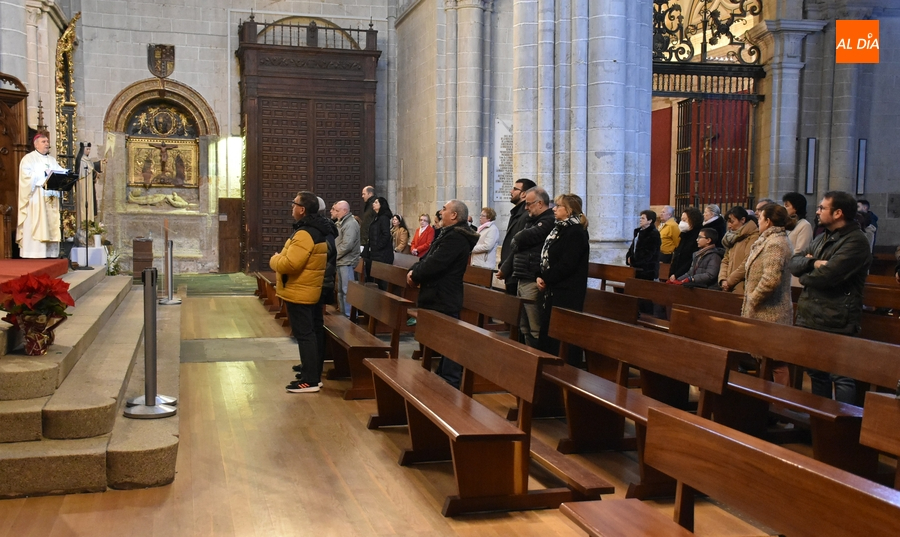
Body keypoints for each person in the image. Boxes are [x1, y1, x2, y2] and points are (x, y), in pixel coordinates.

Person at [789, 191, 872, 404]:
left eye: (822, 208)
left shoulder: (856, 241)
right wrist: (813, 263)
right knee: (816, 372)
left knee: (841, 376)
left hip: (838, 317)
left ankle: (844, 422)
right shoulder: (822, 237)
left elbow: (828, 276)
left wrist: (806, 274)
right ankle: (820, 421)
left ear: (838, 213)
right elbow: (794, 263)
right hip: (812, 315)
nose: (817, 212)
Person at [407, 200, 479, 388]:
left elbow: (435, 264)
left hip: (444, 296)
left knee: (450, 340)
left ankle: (450, 382)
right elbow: (427, 258)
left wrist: (415, 274)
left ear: (454, 215)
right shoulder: (448, 234)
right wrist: (414, 270)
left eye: (445, 209)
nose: (441, 212)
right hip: (437, 295)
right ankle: (443, 376)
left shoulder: (456, 238)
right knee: (442, 340)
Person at [272, 191, 328, 394]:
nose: (292, 206)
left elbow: (291, 264)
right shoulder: (315, 230)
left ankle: (309, 380)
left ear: (302, 209)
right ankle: (312, 375)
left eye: (294, 203)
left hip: (300, 291)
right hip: (307, 289)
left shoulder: (305, 233)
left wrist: (275, 259)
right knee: (310, 333)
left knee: (305, 335)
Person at [742, 203, 793, 386]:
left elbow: (770, 279)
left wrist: (753, 299)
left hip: (771, 311)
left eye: (760, 218)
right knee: (764, 359)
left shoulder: (776, 244)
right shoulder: (768, 240)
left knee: (776, 361)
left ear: (768, 221)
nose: (758, 222)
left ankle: (781, 399)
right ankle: (765, 396)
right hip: (763, 310)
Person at [498, 186, 555, 348]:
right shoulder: (531, 220)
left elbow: (520, 238)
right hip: (522, 276)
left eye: (529, 204)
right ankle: (529, 356)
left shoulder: (548, 220)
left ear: (540, 203)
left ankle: (539, 358)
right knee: (524, 326)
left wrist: (519, 238)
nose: (526, 207)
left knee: (535, 326)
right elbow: (516, 246)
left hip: (532, 277)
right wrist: (506, 268)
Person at [536, 194, 590, 361]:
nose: (554, 208)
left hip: (567, 292)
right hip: (554, 288)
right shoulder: (559, 229)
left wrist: (546, 278)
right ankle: (548, 366)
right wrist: (540, 275)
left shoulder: (576, 232)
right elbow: (547, 256)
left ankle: (566, 368)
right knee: (549, 334)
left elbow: (568, 264)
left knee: (563, 337)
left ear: (569, 210)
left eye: (558, 206)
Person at [295, 197, 338, 386]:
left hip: (319, 282)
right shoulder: (322, 228)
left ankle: (312, 370)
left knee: (312, 328)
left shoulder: (320, 231)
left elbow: (323, 255)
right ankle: (310, 367)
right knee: (313, 327)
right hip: (319, 281)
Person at [18, 132, 67, 258]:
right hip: (37, 198)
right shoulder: (28, 159)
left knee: (51, 223)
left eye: (47, 142)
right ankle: (35, 252)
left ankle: (51, 253)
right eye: (43, 142)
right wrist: (44, 174)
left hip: (51, 197)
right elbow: (26, 177)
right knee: (38, 224)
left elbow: (60, 172)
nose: (47, 144)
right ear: (36, 145)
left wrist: (65, 173)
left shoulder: (52, 160)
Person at [498, 178, 537, 295]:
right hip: (512, 271)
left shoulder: (525, 215)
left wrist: (506, 267)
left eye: (515, 189)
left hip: (516, 272)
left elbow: (518, 245)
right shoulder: (517, 213)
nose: (511, 191)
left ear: (524, 194)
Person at [717, 206, 759, 293]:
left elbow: (747, 261)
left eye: (732, 222)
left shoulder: (753, 237)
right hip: (727, 286)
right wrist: (723, 279)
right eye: (728, 222)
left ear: (742, 220)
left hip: (742, 286)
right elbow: (725, 260)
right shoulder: (732, 238)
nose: (729, 225)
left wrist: (729, 281)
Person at [332, 200, 360, 317]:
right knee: (340, 290)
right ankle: (343, 315)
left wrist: (334, 255)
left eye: (337, 210)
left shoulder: (350, 224)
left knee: (347, 290)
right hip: (341, 260)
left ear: (345, 211)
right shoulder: (342, 222)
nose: (335, 212)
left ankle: (350, 316)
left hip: (347, 261)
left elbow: (347, 245)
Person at [782, 192, 813, 287]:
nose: (784, 208)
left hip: (794, 274)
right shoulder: (788, 224)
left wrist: (781, 257)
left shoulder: (804, 225)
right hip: (784, 269)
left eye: (787, 206)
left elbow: (801, 250)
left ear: (795, 208)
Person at [363, 197, 395, 283]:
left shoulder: (384, 218)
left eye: (376, 202)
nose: (373, 204)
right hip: (376, 254)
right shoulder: (377, 217)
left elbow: (386, 235)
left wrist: (377, 247)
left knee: (381, 281)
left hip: (382, 254)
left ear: (381, 205)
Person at [668, 207, 703, 282]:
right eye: (681, 220)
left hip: (686, 276)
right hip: (676, 274)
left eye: (684, 220)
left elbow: (691, 260)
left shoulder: (697, 237)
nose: (681, 223)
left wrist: (677, 275)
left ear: (693, 220)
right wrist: (672, 273)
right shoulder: (684, 235)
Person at [626, 209, 661, 281]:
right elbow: (633, 247)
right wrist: (629, 257)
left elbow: (649, 253)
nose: (640, 220)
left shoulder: (653, 233)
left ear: (650, 221)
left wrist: (633, 261)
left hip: (647, 269)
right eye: (640, 218)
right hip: (635, 268)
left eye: (643, 218)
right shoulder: (638, 232)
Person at [359, 185, 377, 281]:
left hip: (369, 242)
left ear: (370, 193)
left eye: (364, 194)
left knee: (370, 269)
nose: (362, 196)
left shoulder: (374, 204)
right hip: (366, 240)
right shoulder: (369, 205)